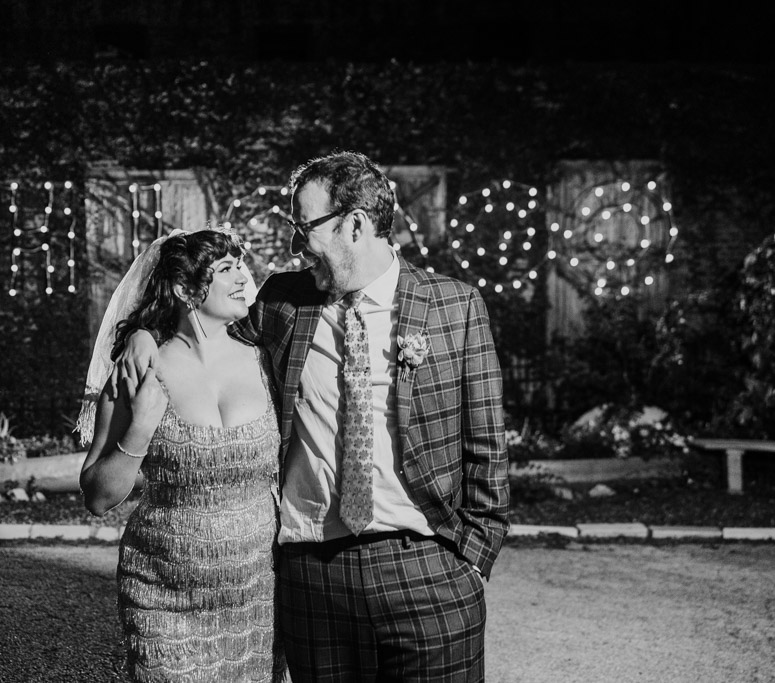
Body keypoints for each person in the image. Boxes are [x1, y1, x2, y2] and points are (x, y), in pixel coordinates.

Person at [116, 151, 510, 682]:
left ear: (355, 224)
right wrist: (142, 333)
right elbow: (199, 326)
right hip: (312, 576)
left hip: (427, 569)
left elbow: (486, 443)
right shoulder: (283, 301)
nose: (297, 245)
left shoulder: (453, 307)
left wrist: (471, 558)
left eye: (305, 227)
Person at [77, 228, 287, 682]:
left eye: (241, 265)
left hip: (260, 594)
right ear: (186, 289)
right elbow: (97, 495)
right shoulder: (139, 370)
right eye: (226, 269)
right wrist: (141, 427)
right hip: (161, 594)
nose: (243, 278)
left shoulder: (266, 358)